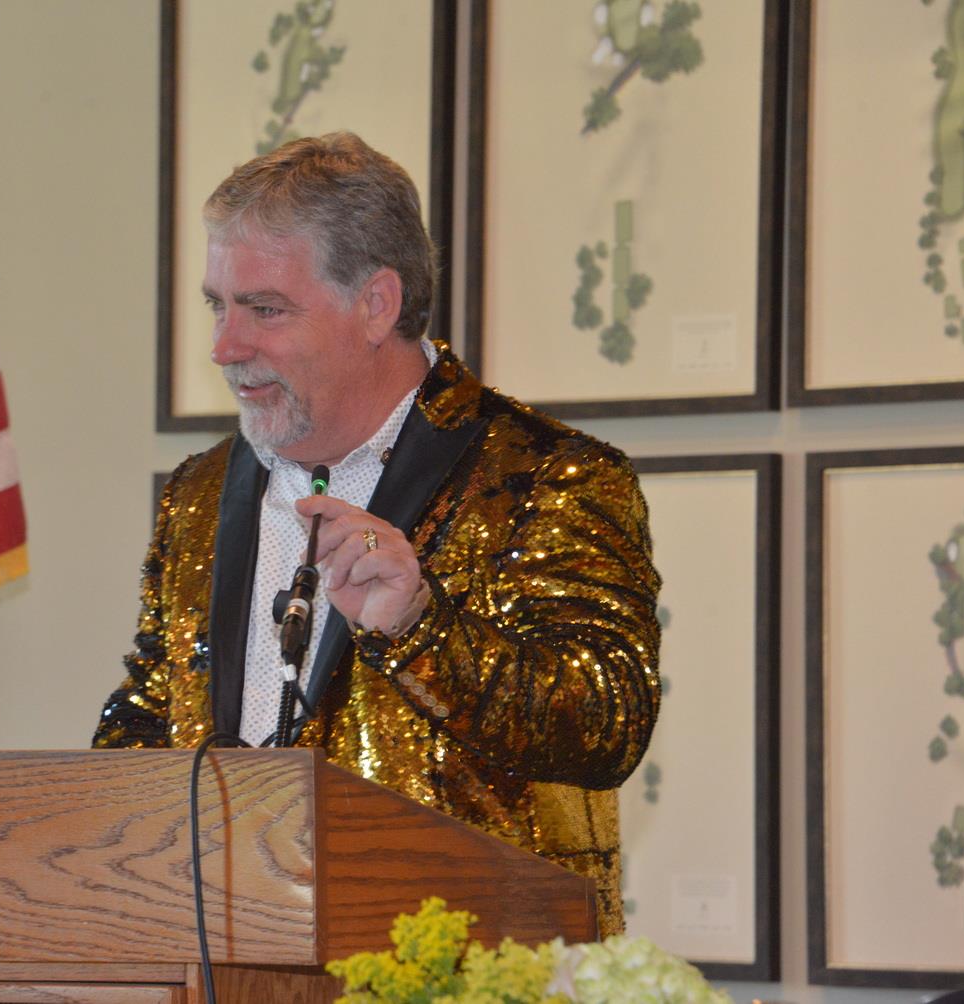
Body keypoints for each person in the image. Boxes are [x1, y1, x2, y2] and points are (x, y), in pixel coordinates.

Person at [93, 132, 661, 935]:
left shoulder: (547, 475)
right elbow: (152, 714)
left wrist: (420, 628)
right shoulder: (199, 491)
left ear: (376, 305)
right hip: (232, 961)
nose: (224, 347)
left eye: (265, 309)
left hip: (470, 969)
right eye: (218, 305)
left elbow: (606, 725)